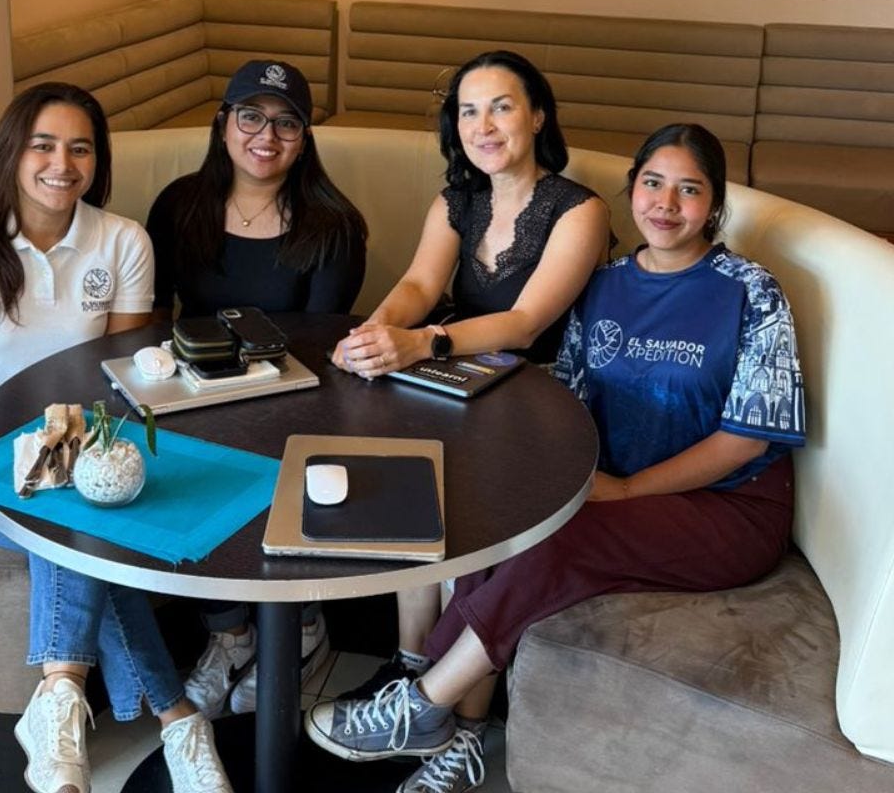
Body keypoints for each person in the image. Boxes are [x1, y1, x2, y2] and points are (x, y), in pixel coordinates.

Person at [306, 123, 806, 793]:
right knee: (509, 529)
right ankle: (463, 738)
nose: (666, 203)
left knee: (562, 540)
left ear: (714, 203)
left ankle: (421, 706)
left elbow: (747, 438)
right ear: (632, 188)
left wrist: (628, 491)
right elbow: (568, 399)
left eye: (689, 190)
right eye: (653, 183)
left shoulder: (751, 290)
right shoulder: (604, 286)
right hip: (621, 488)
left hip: (729, 508)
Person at [0, 82, 232, 793]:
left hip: (74, 447)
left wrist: (63, 450)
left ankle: (65, 705)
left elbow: (118, 376)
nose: (61, 164)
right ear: (11, 153)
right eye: (42, 145)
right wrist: (0, 441)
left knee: (68, 501)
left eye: (80, 148)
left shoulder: (123, 240)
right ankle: (174, 718)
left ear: (97, 161)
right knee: (66, 508)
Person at [330, 50, 609, 699]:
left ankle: (447, 689)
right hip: (460, 378)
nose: (483, 126)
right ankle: (408, 664)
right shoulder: (459, 201)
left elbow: (526, 324)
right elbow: (419, 284)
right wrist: (373, 334)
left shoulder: (579, 210)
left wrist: (421, 342)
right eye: (468, 111)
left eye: (501, 108)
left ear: (537, 117)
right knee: (401, 477)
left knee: (456, 491)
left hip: (545, 391)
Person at [147, 58, 368, 718]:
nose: (266, 136)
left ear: (304, 139)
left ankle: (304, 626)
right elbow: (155, 317)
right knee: (169, 466)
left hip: (295, 401)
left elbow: (323, 346)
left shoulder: (333, 223)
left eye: (286, 123)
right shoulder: (179, 205)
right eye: (251, 116)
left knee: (275, 463)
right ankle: (231, 633)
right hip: (195, 393)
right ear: (223, 124)